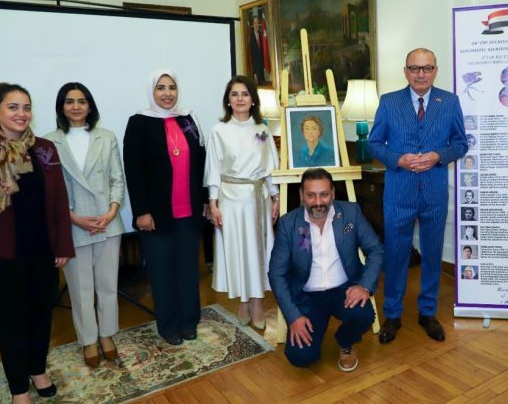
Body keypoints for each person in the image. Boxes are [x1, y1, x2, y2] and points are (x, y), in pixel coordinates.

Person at [0, 83, 74, 403]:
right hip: (4, 254)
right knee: (11, 321)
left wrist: (63, 244)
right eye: (13, 107)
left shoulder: (46, 149)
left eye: (26, 107)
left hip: (43, 250)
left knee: (41, 315)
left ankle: (38, 369)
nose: (21, 114)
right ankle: (18, 387)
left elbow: (59, 201)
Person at [368, 47, 467, 344]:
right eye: (414, 68)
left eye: (426, 68)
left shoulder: (449, 102)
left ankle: (427, 313)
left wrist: (439, 155)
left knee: (433, 254)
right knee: (396, 255)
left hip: (435, 193)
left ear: (435, 70)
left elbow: (461, 144)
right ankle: (393, 315)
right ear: (406, 71)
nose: (420, 74)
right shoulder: (389, 102)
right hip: (399, 192)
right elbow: (374, 143)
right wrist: (397, 159)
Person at [123, 69, 208, 346]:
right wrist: (141, 212)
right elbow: (133, 171)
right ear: (152, 91)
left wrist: (206, 200)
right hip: (156, 215)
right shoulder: (139, 122)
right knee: (162, 272)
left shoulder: (188, 119)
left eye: (172, 87)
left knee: (188, 270)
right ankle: (169, 325)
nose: (167, 93)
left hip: (189, 211)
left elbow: (202, 164)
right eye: (161, 88)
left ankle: (189, 321)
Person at [268, 168, 383, 372]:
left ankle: (345, 341)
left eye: (324, 194)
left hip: (343, 290)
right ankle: (311, 333)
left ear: (333, 193)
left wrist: (364, 286)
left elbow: (375, 249)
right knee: (301, 357)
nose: (318, 202)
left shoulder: (350, 213)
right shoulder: (288, 224)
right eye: (311, 195)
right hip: (307, 297)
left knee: (363, 315)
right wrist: (293, 316)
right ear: (302, 195)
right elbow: (276, 274)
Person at [44, 82, 125, 368]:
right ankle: (88, 340)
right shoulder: (47, 142)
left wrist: (112, 211)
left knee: (107, 285)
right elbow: (49, 189)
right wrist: (73, 216)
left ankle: (106, 335)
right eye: (69, 101)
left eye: (82, 101)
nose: (76, 106)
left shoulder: (107, 137)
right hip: (73, 224)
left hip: (107, 223)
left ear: (90, 106)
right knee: (80, 289)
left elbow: (117, 178)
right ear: (61, 107)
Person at [205, 75, 279, 328]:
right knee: (239, 252)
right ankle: (243, 301)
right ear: (228, 100)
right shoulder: (218, 131)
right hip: (231, 201)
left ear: (252, 99)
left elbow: (269, 168)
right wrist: (213, 203)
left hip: (258, 199)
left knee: (259, 251)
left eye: (245, 94)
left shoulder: (262, 130)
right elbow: (213, 169)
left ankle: (258, 302)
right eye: (235, 94)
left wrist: (275, 195)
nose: (240, 99)